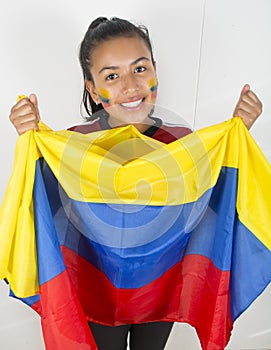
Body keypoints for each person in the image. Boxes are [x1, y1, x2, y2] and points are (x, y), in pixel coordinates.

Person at [9, 17, 263, 350]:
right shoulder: (73, 146)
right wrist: (33, 140)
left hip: (161, 285)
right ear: (91, 88)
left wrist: (236, 136)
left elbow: (209, 211)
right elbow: (49, 215)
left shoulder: (182, 143)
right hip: (98, 287)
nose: (129, 86)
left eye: (139, 69)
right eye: (111, 76)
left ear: (155, 70)